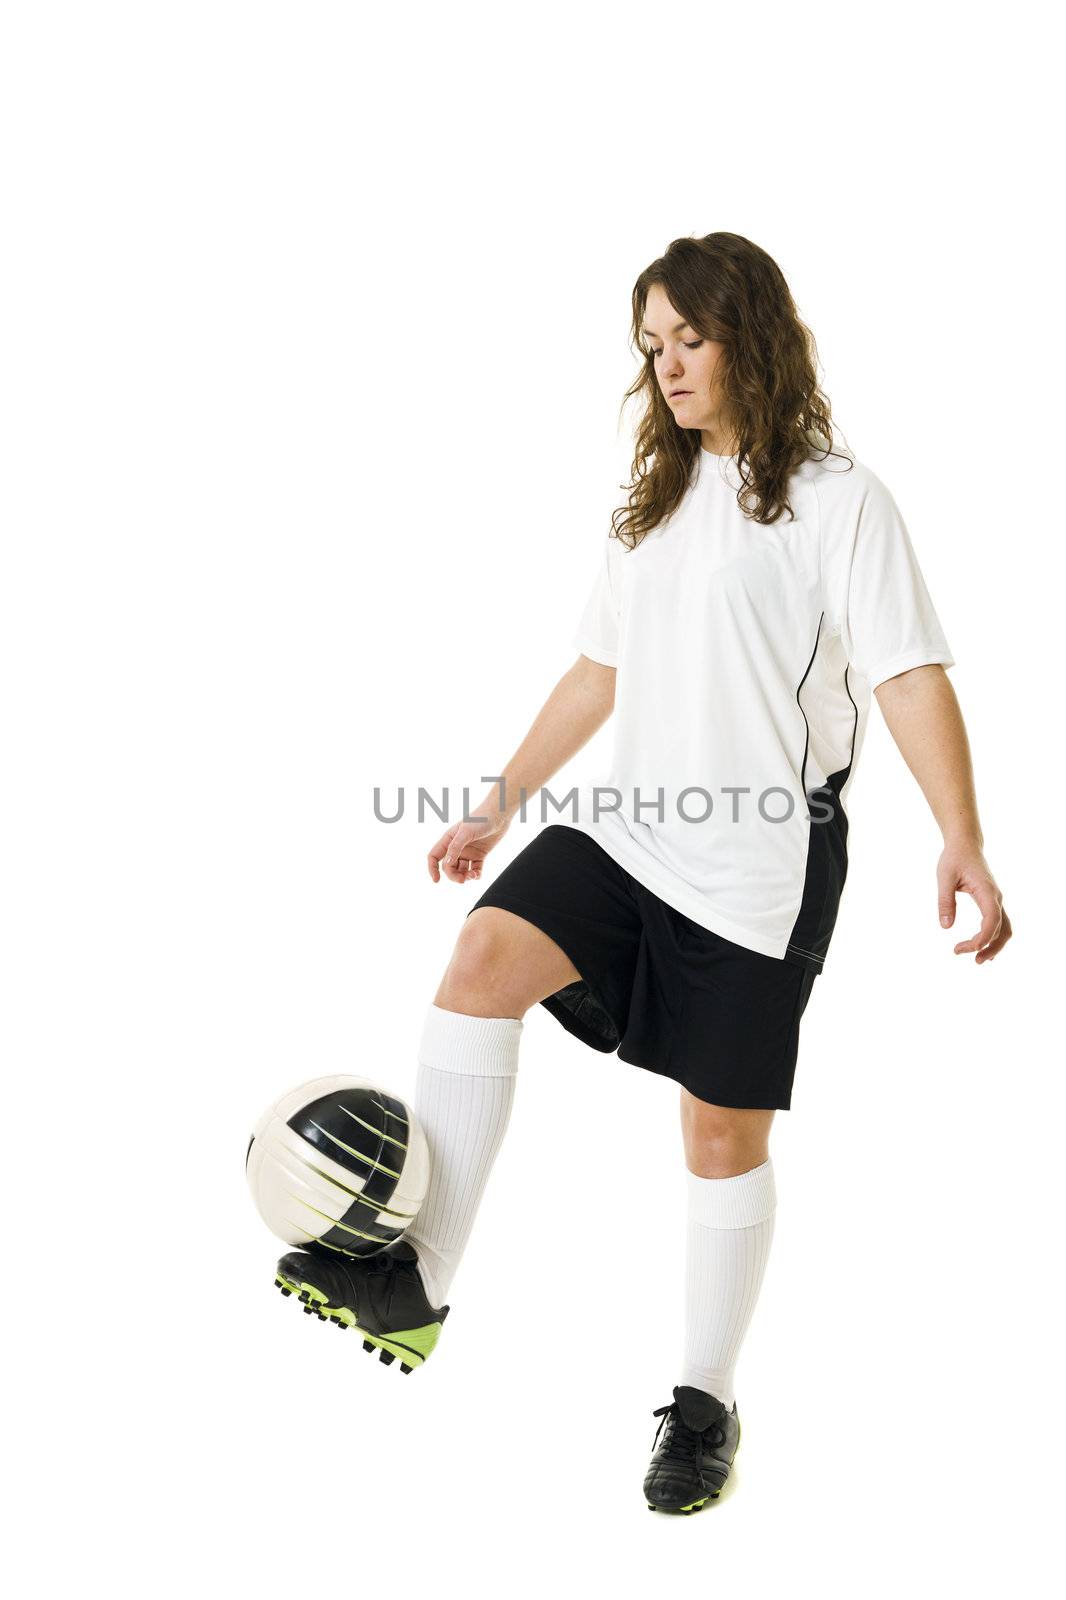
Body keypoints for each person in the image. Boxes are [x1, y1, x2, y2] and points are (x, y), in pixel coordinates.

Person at [274, 231, 1012, 1515]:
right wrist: (498, 804)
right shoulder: (656, 502)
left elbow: (906, 670)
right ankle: (421, 1278)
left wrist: (964, 834)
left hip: (767, 859)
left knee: (721, 1133)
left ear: (752, 335)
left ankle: (705, 1400)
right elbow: (599, 669)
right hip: (635, 830)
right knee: (483, 956)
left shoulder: (841, 499)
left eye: (691, 337)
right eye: (652, 345)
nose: (668, 364)